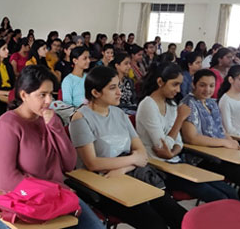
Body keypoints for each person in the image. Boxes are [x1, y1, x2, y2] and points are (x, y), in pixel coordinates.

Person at [0, 65, 105, 229]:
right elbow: (7, 180)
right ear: (24, 95)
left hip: (53, 197)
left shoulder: (48, 119)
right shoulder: (7, 125)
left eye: (51, 94)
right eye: (42, 95)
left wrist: (56, 127)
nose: (49, 101)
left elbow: (69, 164)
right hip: (15, 199)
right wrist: (50, 192)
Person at [69, 66, 186, 229]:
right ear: (96, 93)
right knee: (154, 223)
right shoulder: (80, 118)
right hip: (100, 183)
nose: (119, 92)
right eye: (112, 88)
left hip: (127, 175)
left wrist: (124, 168)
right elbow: (93, 163)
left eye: (118, 86)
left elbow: (142, 153)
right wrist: (133, 160)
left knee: (177, 214)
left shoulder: (119, 114)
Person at [180, 69, 240, 229]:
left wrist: (233, 143)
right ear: (193, 84)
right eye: (202, 85)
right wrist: (224, 143)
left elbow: (221, 130)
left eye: (211, 85)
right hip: (204, 157)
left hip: (224, 152)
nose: (207, 90)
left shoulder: (211, 102)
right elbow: (192, 138)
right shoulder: (188, 104)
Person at [136, 62, 238, 202]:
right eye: (174, 84)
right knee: (219, 197)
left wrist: (171, 152)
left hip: (175, 161)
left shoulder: (170, 104)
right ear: (160, 82)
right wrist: (180, 119)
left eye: (179, 85)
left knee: (230, 192)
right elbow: (161, 146)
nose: (178, 90)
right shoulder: (148, 105)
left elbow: (178, 142)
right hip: (159, 167)